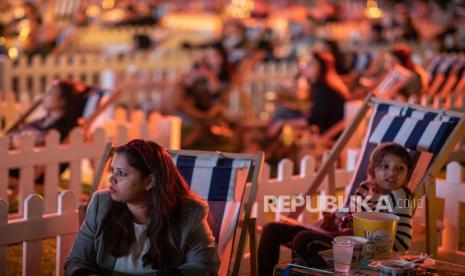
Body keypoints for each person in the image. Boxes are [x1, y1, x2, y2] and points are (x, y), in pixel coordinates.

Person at [65, 139, 219, 275]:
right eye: (113, 171)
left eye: (122, 173)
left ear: (149, 181)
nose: (112, 178)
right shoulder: (101, 204)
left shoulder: (189, 213)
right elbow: (76, 261)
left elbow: (205, 266)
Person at [258, 142, 414, 275]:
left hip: (360, 249)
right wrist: (336, 219)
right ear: (374, 169)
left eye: (400, 168)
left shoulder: (399, 196)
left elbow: (402, 243)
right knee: (271, 229)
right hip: (340, 237)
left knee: (303, 240)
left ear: (407, 175)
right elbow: (351, 213)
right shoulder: (364, 188)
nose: (392, 173)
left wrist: (370, 234)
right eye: (385, 166)